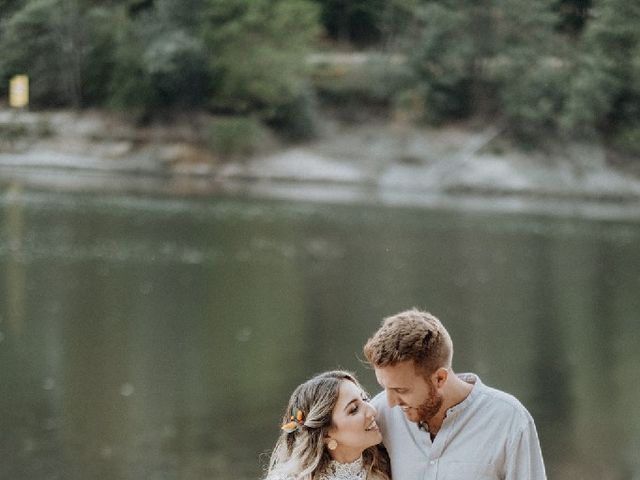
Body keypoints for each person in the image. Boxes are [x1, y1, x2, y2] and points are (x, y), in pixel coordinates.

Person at [363, 308, 547, 480]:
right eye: (384, 387)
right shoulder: (377, 416)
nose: (391, 402)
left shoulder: (509, 420)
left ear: (440, 379)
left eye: (401, 390)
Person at [264, 370, 390, 480]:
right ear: (326, 434)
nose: (372, 411)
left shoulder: (386, 464)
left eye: (365, 399)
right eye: (354, 409)